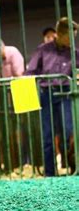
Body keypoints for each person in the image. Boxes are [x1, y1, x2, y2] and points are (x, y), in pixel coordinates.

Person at [26, 17, 78, 176]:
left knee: (68, 132)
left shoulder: (74, 53)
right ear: (60, 34)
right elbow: (30, 71)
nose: (73, 40)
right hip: (46, 95)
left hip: (66, 94)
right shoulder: (43, 49)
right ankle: (50, 173)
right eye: (71, 36)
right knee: (47, 135)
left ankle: (71, 169)